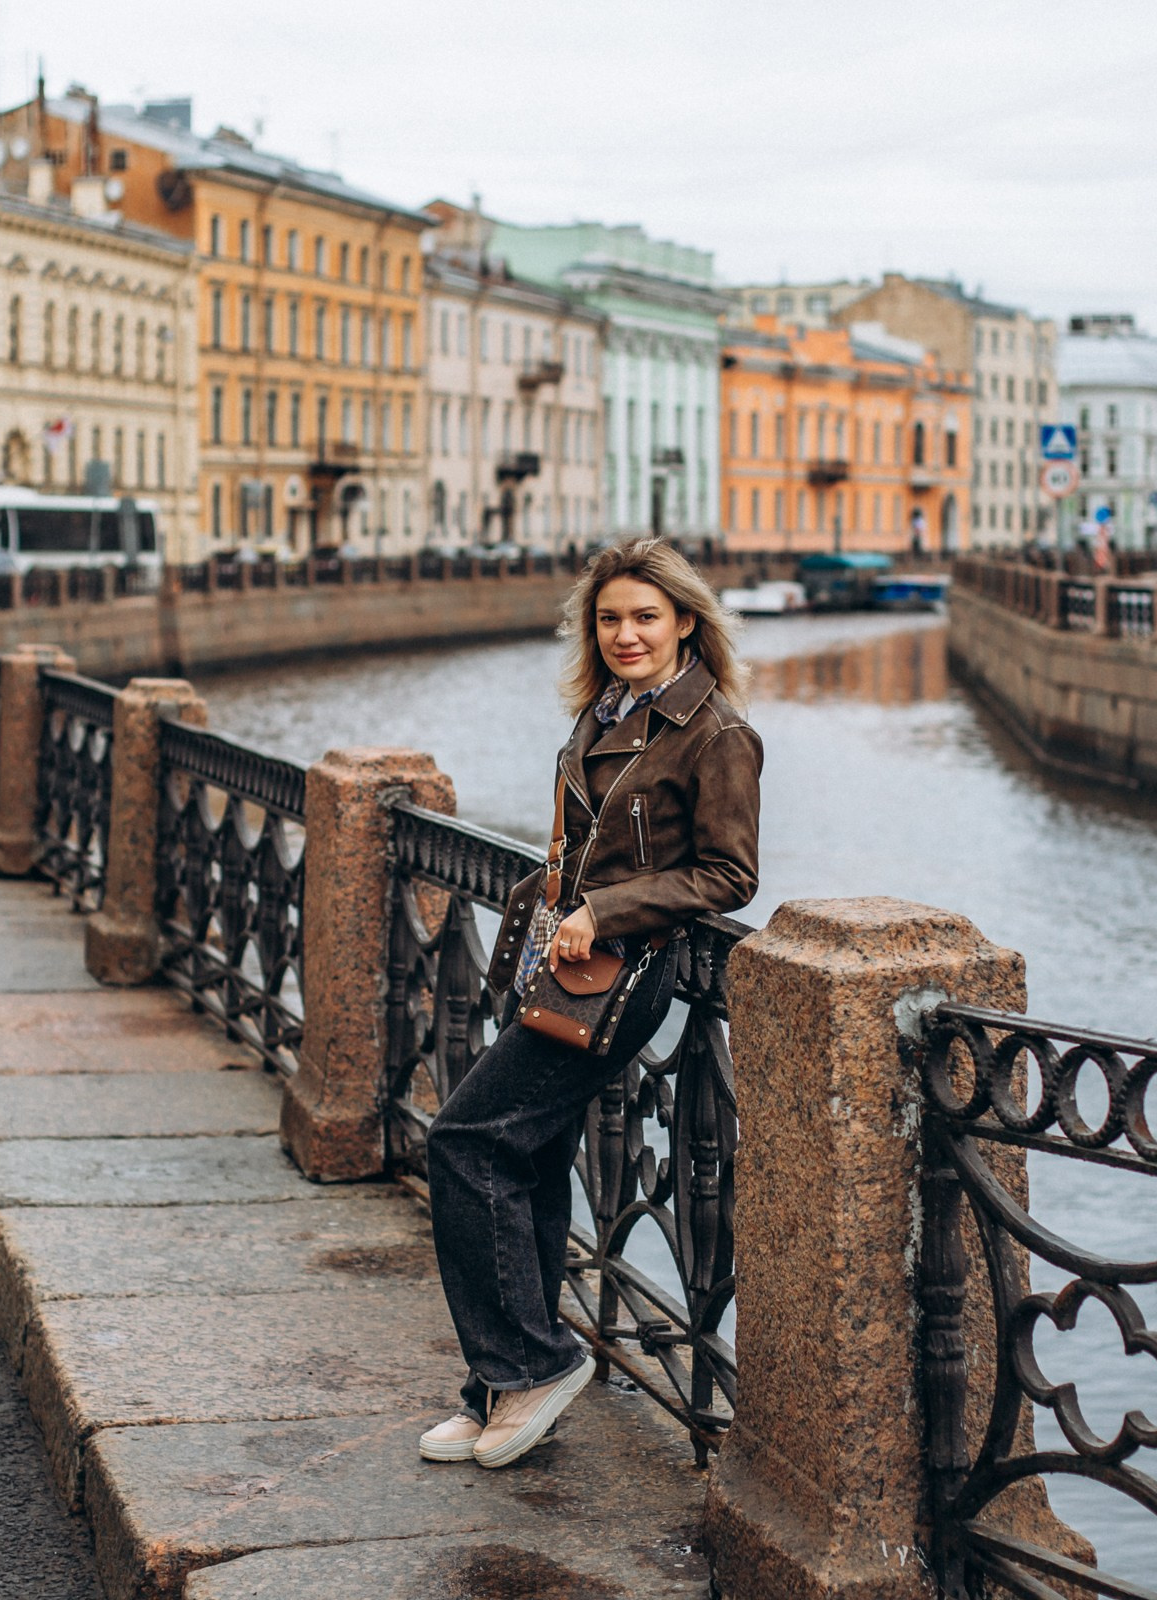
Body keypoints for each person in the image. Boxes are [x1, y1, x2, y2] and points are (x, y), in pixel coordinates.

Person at [421, 537, 762, 1471]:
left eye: (646, 617)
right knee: (522, 1162)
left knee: (461, 1144)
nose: (626, 633)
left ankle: (534, 1363)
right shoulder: (605, 712)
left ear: (686, 621)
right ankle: (498, 1388)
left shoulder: (715, 733)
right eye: (610, 618)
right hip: (563, 966)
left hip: (627, 973)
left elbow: (730, 874)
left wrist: (605, 908)